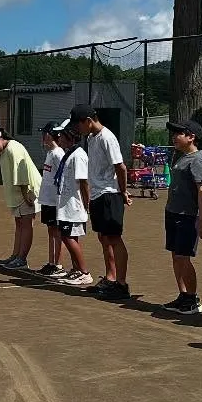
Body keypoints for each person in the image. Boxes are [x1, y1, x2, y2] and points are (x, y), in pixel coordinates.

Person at [62, 105, 131, 299]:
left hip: (110, 194)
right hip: (97, 195)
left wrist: (123, 191)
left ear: (88, 121)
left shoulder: (107, 137)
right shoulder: (92, 138)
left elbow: (121, 167)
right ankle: (110, 278)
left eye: (78, 125)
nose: (77, 130)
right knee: (103, 238)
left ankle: (121, 285)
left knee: (114, 238)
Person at [162, 119, 202, 314]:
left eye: (178, 133)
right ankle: (183, 296)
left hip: (187, 217)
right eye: (174, 133)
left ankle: (192, 299)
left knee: (184, 257)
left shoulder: (197, 160)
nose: (174, 137)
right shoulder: (181, 156)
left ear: (191, 137)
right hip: (173, 213)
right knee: (176, 257)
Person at [0, 127, 41, 270]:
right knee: (19, 224)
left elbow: (22, 173)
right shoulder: (5, 151)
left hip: (27, 193)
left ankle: (22, 259)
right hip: (18, 195)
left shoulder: (13, 148)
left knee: (26, 225)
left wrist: (26, 195)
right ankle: (15, 256)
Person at [52, 123, 93, 287]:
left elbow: (83, 182)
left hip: (74, 206)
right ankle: (76, 269)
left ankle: (84, 272)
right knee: (69, 237)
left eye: (61, 135)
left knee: (68, 237)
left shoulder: (78, 155)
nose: (59, 138)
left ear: (69, 136)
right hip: (65, 205)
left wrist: (87, 203)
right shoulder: (69, 154)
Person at [38, 123, 65, 277]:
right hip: (47, 199)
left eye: (44, 133)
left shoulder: (58, 153)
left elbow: (63, 176)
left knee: (57, 232)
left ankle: (58, 264)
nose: (42, 137)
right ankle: (51, 262)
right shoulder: (50, 153)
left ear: (49, 135)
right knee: (50, 231)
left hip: (55, 200)